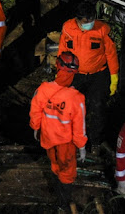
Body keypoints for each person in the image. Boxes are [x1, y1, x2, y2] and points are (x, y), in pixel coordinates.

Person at [57, 1, 119, 154]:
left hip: (98, 75)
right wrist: (61, 74)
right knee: (74, 109)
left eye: (92, 20)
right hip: (76, 75)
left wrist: (114, 77)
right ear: (78, 19)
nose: (89, 24)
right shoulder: (68, 28)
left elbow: (111, 54)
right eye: (86, 22)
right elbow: (62, 50)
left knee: (98, 107)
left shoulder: (102, 30)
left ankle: (96, 141)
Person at [29, 52, 87, 212]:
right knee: (67, 172)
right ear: (74, 72)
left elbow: (35, 110)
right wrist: (81, 146)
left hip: (47, 138)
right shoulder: (76, 98)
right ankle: (63, 202)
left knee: (54, 166)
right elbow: (79, 125)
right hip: (65, 144)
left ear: (57, 67)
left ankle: (58, 197)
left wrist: (36, 127)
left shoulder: (43, 89)